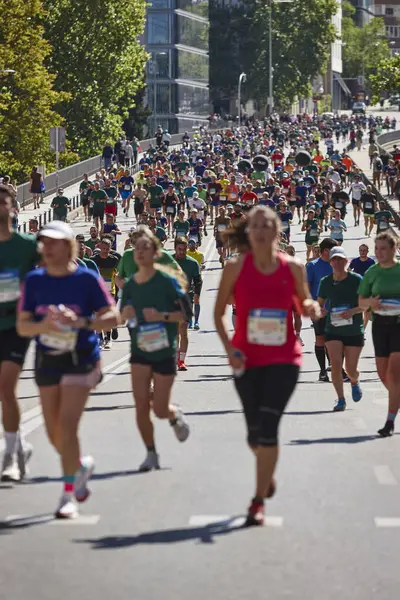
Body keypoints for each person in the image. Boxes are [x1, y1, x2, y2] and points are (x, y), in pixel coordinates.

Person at [214, 206, 320, 526]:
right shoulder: (235, 267)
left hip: (284, 357)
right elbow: (218, 312)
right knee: (254, 436)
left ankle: (257, 499)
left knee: (270, 426)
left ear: (277, 231)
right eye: (255, 226)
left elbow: (303, 303)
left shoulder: (293, 268)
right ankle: (266, 472)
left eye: (267, 225)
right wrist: (230, 348)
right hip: (246, 357)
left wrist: (312, 306)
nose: (260, 231)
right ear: (248, 233)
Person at [17, 221, 118, 518]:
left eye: (54, 242)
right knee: (52, 432)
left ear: (69, 245)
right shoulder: (34, 281)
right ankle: (79, 466)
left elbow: (112, 316)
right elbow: (23, 325)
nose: (47, 248)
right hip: (48, 358)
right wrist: (43, 325)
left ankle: (68, 493)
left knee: (68, 424)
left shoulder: (86, 279)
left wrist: (80, 321)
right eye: (43, 242)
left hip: (81, 357)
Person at [120, 228, 191, 472]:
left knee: (159, 409)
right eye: (136, 248)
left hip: (163, 350)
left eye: (145, 248)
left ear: (156, 253)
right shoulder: (130, 285)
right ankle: (151, 453)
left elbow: (185, 314)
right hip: (139, 350)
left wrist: (162, 315)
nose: (138, 252)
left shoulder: (168, 281)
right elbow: (123, 313)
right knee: (140, 404)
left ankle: (173, 414)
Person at [0, 185, 40, 482]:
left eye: (4, 202)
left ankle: (10, 456)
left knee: (6, 387)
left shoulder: (27, 245)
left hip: (17, 324)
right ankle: (20, 444)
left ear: (14, 208)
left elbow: (49, 275)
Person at [358, 232, 400, 437]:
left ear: (394, 249)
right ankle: (396, 400)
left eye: (383, 248)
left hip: (399, 324)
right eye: (377, 249)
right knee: (383, 374)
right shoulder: (372, 272)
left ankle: (390, 421)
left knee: (394, 372)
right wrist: (370, 304)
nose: (379, 252)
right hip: (380, 324)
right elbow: (361, 302)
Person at [317, 247, 364, 412]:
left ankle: (354, 381)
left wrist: (352, 311)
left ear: (346, 261)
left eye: (340, 260)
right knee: (336, 365)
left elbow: (365, 304)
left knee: (351, 369)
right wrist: (320, 311)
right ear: (330, 262)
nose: (337, 263)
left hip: (353, 330)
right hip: (333, 329)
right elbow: (319, 303)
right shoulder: (325, 281)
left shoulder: (357, 280)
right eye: (334, 260)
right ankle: (341, 399)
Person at [306, 237, 338, 382]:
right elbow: (306, 288)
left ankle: (336, 367)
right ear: (326, 251)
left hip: (336, 310)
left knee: (336, 340)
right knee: (320, 339)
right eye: (334, 250)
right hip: (319, 310)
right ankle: (323, 371)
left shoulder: (336, 264)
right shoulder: (312, 266)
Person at [173, 237, 202, 371]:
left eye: (184, 249)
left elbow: (198, 281)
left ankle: (182, 360)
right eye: (180, 249)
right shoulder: (168, 262)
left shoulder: (193, 263)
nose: (182, 252)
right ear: (175, 248)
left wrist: (196, 295)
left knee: (183, 329)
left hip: (185, 300)